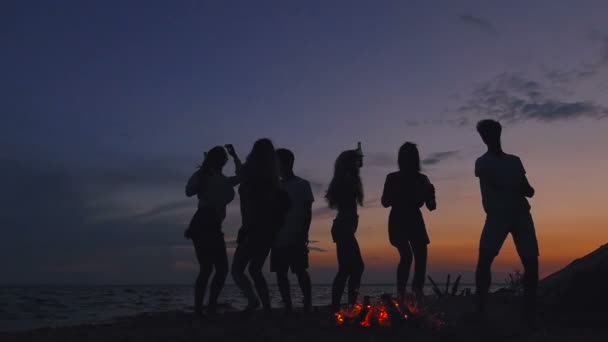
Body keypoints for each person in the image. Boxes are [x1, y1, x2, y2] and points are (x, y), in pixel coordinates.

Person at [474, 119, 538, 318]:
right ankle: (480, 309)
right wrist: (517, 187)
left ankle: (530, 308)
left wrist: (520, 188)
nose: (488, 137)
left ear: (498, 134)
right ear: (483, 137)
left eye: (490, 133)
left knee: (531, 261)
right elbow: (517, 187)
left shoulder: (514, 160)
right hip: (497, 216)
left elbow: (529, 190)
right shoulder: (482, 162)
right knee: (485, 260)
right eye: (485, 134)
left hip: (520, 214)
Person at [231, 138, 290, 317]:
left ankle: (254, 301)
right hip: (268, 229)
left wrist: (246, 227)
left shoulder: (251, 173)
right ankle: (266, 308)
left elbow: (239, 178)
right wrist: (234, 157)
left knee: (237, 269)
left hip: (253, 226)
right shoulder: (272, 178)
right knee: (255, 269)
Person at [184, 144, 242, 317]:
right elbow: (189, 191)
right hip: (203, 221)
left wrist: (235, 156)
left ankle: (208, 308)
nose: (222, 162)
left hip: (214, 224)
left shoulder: (222, 179)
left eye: (223, 160)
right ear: (213, 160)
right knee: (209, 268)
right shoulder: (203, 175)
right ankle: (202, 309)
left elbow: (240, 177)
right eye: (220, 159)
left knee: (218, 269)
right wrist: (201, 177)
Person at [381, 142, 436, 301]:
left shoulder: (422, 179)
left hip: (412, 219)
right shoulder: (393, 178)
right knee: (408, 256)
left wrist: (431, 193)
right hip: (399, 219)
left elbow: (431, 206)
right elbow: (385, 202)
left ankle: (415, 293)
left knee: (419, 257)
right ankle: (402, 293)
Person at [270, 148, 314, 314]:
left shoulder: (302, 184)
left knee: (300, 271)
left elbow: (307, 212)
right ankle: (288, 306)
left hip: (296, 234)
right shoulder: (275, 186)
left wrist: (304, 233)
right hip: (277, 236)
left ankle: (307, 304)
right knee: (281, 274)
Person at [326, 148, 365, 314]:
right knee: (353, 268)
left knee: (350, 268)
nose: (359, 164)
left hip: (343, 227)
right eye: (356, 161)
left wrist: (357, 160)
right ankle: (345, 305)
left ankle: (345, 305)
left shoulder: (345, 178)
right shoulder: (348, 179)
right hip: (344, 228)